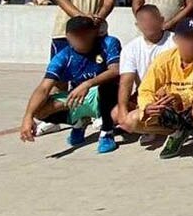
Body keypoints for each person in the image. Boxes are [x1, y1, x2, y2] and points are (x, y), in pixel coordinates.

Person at [120, 17, 193, 163]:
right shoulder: (164, 59)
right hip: (174, 107)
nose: (192, 42)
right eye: (187, 37)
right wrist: (148, 106)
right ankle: (177, 132)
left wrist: (181, 97)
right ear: (176, 39)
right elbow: (146, 89)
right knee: (131, 121)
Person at [19, 16, 122, 154]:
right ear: (68, 36)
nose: (81, 38)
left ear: (94, 32)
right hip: (78, 97)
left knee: (108, 87)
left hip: (107, 95)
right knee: (39, 109)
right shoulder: (63, 56)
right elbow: (44, 87)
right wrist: (28, 116)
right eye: (76, 35)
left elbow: (116, 70)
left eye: (85, 33)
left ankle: (107, 132)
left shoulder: (109, 43)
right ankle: (78, 122)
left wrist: (87, 84)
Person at [113, 5, 175, 137]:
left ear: (162, 20)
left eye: (151, 19)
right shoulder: (131, 48)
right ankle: (154, 128)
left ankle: (176, 130)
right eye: (143, 20)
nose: (148, 24)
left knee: (134, 120)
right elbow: (126, 81)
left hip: (170, 94)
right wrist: (123, 110)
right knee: (116, 114)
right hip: (144, 95)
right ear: (137, 25)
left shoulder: (175, 42)